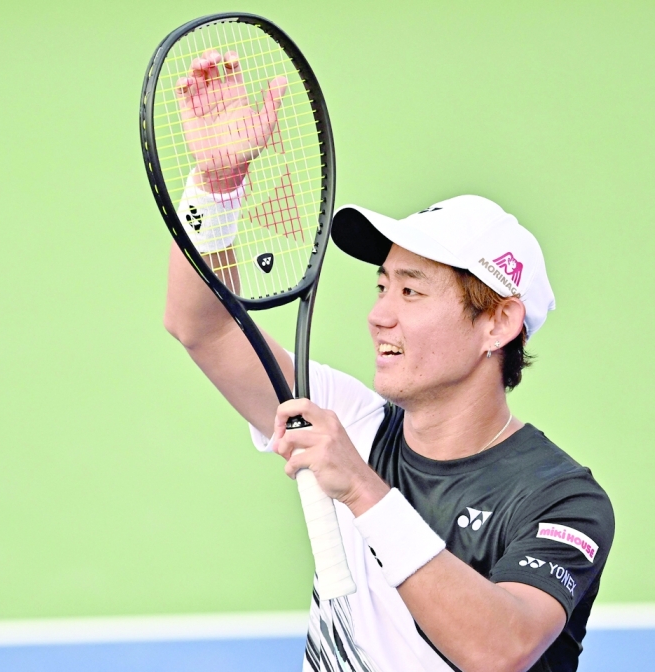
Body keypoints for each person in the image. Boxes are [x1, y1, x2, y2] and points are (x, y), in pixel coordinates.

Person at [164, 50, 614, 672]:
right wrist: (217, 185)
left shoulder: (561, 499)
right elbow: (204, 327)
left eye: (411, 290)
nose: (380, 315)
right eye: (382, 287)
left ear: (497, 322)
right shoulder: (353, 422)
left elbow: (501, 649)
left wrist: (363, 490)